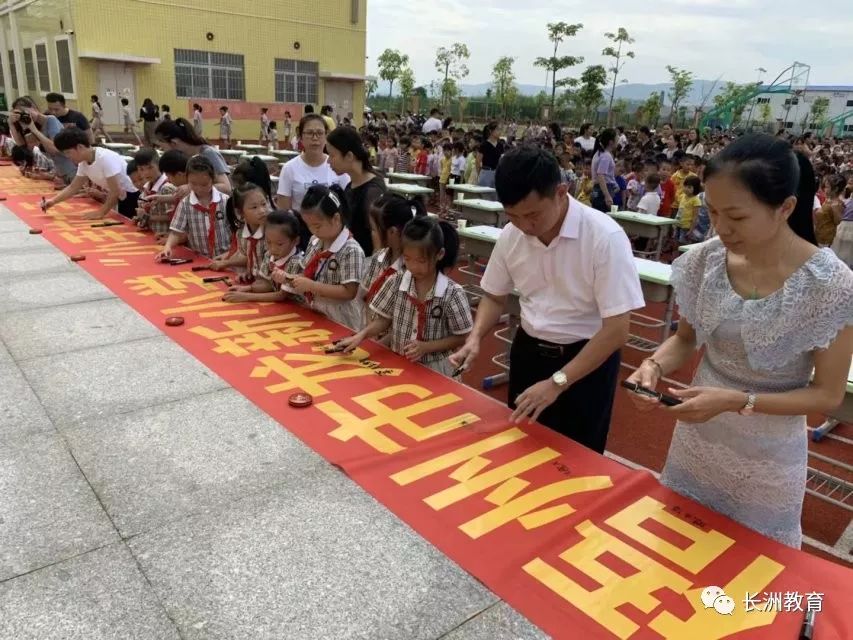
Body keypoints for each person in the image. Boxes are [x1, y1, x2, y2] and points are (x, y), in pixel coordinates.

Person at [625, 134, 853, 549]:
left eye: (737, 216)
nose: (721, 228)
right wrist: (654, 366)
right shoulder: (704, 261)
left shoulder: (830, 285)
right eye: (713, 211)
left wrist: (736, 401)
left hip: (767, 457)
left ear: (785, 207)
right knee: (676, 548)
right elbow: (684, 339)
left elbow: (827, 394)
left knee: (754, 572)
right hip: (697, 440)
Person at [450, 147, 644, 453]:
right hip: (530, 352)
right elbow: (494, 296)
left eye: (532, 215)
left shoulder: (604, 237)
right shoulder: (512, 236)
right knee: (521, 446)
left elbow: (617, 329)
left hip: (585, 361)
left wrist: (558, 382)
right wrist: (475, 337)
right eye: (512, 216)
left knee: (576, 456)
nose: (525, 226)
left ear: (561, 192)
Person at [339, 217, 472, 376]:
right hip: (398, 362)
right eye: (407, 259)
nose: (413, 266)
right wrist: (360, 336)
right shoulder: (396, 281)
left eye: (421, 261)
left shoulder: (452, 293)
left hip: (436, 370)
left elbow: (463, 336)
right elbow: (383, 320)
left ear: (440, 254)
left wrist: (426, 347)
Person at [284, 184, 365, 330]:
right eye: (308, 226)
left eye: (317, 225)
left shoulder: (351, 250)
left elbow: (349, 292)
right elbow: (307, 272)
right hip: (314, 309)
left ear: (335, 218)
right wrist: (287, 277)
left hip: (340, 317)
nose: (313, 230)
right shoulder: (315, 241)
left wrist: (312, 286)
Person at [275, 113, 351, 249]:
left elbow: (348, 204)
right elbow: (284, 212)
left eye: (320, 133)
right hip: (301, 235)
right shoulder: (289, 168)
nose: (315, 138)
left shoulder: (337, 166)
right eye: (309, 133)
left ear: (326, 136)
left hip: (333, 236)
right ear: (301, 137)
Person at [44, 128, 139, 220]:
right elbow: (73, 187)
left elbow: (115, 191)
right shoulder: (84, 162)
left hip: (133, 196)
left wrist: (101, 212)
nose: (68, 157)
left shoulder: (105, 158)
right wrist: (53, 201)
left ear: (80, 147)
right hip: (119, 197)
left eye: (68, 152)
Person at [156, 155, 232, 261]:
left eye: (204, 184)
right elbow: (176, 231)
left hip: (225, 257)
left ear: (213, 179)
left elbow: (236, 231)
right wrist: (168, 246)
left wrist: (230, 253)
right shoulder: (185, 203)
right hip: (199, 258)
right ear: (187, 179)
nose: (199, 188)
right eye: (193, 184)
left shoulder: (225, 201)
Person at [326, 126, 385, 256]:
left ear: (349, 156)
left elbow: (378, 240)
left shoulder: (372, 191)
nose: (328, 161)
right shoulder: (350, 185)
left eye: (332, 155)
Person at [223, 209, 304, 303]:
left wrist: (246, 297)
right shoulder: (269, 255)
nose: (273, 248)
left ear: (295, 241)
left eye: (280, 244)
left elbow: (281, 295)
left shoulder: (296, 262)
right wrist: (247, 289)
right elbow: (267, 283)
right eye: (268, 242)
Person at [360, 194, 418, 309]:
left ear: (392, 232)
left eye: (374, 229)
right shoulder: (378, 258)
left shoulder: (412, 270)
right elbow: (366, 297)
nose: (371, 234)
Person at [9, 95, 76, 184]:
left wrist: (34, 130)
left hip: (73, 171)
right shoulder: (36, 126)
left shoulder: (51, 120)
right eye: (21, 115)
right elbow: (22, 145)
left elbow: (55, 149)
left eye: (25, 112)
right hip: (61, 174)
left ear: (33, 107)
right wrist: (11, 124)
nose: (26, 116)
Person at [155, 118, 232, 194]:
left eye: (162, 147)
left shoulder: (208, 153)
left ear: (174, 143)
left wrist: (191, 188)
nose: (163, 151)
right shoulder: (186, 157)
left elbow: (226, 188)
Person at [207, 182, 268, 277]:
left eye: (264, 204)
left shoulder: (272, 232)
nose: (262, 211)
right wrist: (248, 273)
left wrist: (226, 263)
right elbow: (248, 256)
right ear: (240, 212)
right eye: (254, 207)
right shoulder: (241, 233)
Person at [133, 148, 176, 240]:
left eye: (150, 167)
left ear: (159, 165)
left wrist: (147, 217)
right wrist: (141, 218)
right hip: (152, 236)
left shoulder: (167, 188)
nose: (146, 172)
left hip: (166, 237)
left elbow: (174, 217)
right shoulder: (146, 188)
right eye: (141, 169)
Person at [590, 128, 619, 213]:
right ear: (611, 142)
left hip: (599, 189)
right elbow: (601, 175)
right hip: (603, 190)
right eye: (616, 138)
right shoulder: (606, 156)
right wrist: (607, 195)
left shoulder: (598, 153)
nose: (618, 140)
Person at [815, 174, 845, 247]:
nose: (824, 189)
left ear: (836, 189)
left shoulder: (836, 204)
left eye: (827, 187)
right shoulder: (829, 199)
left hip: (826, 239)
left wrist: (835, 209)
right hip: (820, 235)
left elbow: (838, 221)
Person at [674, 175, 703, 243]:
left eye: (689, 187)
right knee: (675, 241)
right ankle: (675, 253)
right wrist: (674, 223)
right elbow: (679, 210)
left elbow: (695, 217)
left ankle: (680, 254)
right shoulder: (683, 196)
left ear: (695, 188)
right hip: (678, 223)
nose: (686, 188)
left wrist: (691, 230)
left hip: (686, 227)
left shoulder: (696, 200)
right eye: (685, 186)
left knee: (682, 242)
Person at [478, 121, 505, 188]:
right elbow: (478, 161)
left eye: (500, 129)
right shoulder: (484, 145)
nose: (499, 132)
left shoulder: (500, 145)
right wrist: (480, 174)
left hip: (496, 173)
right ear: (491, 131)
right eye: (497, 129)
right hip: (486, 171)